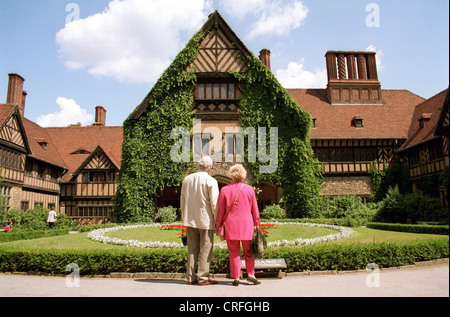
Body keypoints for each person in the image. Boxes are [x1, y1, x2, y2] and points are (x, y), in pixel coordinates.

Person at [215, 164, 261, 286]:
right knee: (249, 251)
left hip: (231, 225)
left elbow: (221, 210)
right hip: (247, 224)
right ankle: (251, 274)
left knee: (234, 251)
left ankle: (236, 277)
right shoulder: (249, 189)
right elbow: (254, 208)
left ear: (231, 174)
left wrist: (218, 224)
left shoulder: (224, 190)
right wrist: (256, 222)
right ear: (243, 174)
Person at [180, 156, 219, 286]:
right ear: (210, 167)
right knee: (205, 249)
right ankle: (203, 277)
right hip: (206, 220)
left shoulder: (187, 179)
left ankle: (190, 277)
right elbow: (214, 203)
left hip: (190, 219)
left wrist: (184, 216)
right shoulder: (211, 180)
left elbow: (183, 200)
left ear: (198, 166)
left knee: (192, 249)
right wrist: (218, 219)